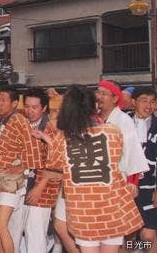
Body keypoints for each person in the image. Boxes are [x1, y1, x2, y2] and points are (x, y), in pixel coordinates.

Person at [40, 85, 144, 253]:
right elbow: (117, 157)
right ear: (94, 106)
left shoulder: (64, 137)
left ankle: (140, 248)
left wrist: (52, 139)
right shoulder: (112, 131)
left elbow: (56, 164)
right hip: (111, 205)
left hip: (84, 210)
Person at [0, 85, 44, 253]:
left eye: (3, 100)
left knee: (1, 226)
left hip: (12, 182)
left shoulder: (19, 120)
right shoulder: (2, 120)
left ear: (14, 103)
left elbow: (34, 150)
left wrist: (21, 166)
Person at [21, 87, 60, 253]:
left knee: (34, 232)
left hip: (43, 188)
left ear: (44, 108)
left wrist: (40, 187)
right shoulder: (24, 124)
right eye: (27, 106)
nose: (30, 111)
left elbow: (56, 160)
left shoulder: (50, 128)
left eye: (34, 107)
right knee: (25, 232)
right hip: (25, 183)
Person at [96, 80, 148, 184]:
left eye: (104, 94)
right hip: (95, 177)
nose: (99, 97)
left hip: (117, 177)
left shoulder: (124, 120)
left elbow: (132, 152)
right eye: (98, 92)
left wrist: (132, 182)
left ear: (115, 98)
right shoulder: (91, 118)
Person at [129, 86, 157, 253]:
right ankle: (135, 249)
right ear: (134, 102)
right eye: (144, 100)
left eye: (152, 101)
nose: (149, 105)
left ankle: (141, 248)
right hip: (125, 188)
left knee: (148, 235)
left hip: (149, 187)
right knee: (127, 237)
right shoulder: (123, 122)